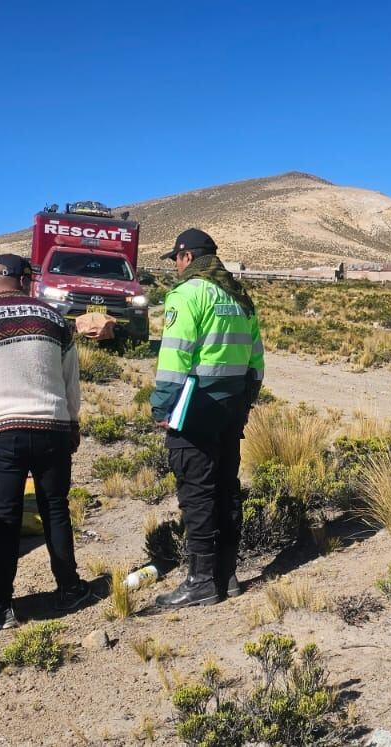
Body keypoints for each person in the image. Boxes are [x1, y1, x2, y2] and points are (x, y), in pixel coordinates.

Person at [0, 254, 90, 630]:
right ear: (25, 279)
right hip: (53, 427)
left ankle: (0, 606)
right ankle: (70, 588)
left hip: (2, 432)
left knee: (4, 518)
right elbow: (71, 379)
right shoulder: (54, 317)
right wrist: (72, 423)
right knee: (55, 509)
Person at [150, 229, 265, 609]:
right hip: (232, 408)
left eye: (176, 259)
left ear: (186, 257)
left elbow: (175, 357)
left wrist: (162, 407)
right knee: (226, 488)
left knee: (197, 493)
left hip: (194, 407)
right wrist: (245, 400)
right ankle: (226, 575)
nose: (176, 267)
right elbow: (256, 360)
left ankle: (201, 581)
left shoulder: (188, 294)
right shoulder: (239, 296)